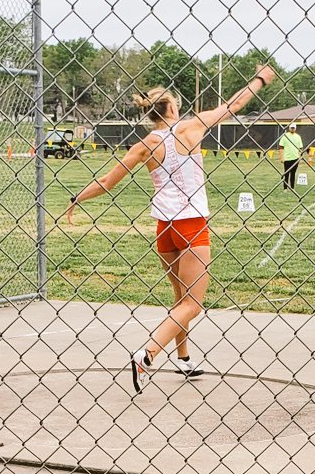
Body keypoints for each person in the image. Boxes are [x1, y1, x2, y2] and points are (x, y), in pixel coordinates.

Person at [66, 64, 277, 392]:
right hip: (192, 225)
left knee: (180, 298)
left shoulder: (145, 144)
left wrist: (77, 197)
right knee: (193, 304)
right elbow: (235, 104)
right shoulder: (190, 128)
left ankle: (184, 357)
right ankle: (147, 354)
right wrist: (261, 79)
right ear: (173, 107)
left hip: (165, 229)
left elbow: (108, 181)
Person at [279, 122, 303, 190]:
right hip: (287, 158)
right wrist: (281, 157)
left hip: (295, 158)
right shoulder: (285, 136)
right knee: (286, 173)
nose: (292, 129)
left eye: (293, 128)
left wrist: (300, 158)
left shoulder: (298, 137)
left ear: (295, 128)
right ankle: (285, 188)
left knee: (293, 173)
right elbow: (281, 147)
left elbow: (300, 148)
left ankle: (292, 188)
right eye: (291, 128)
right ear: (289, 128)